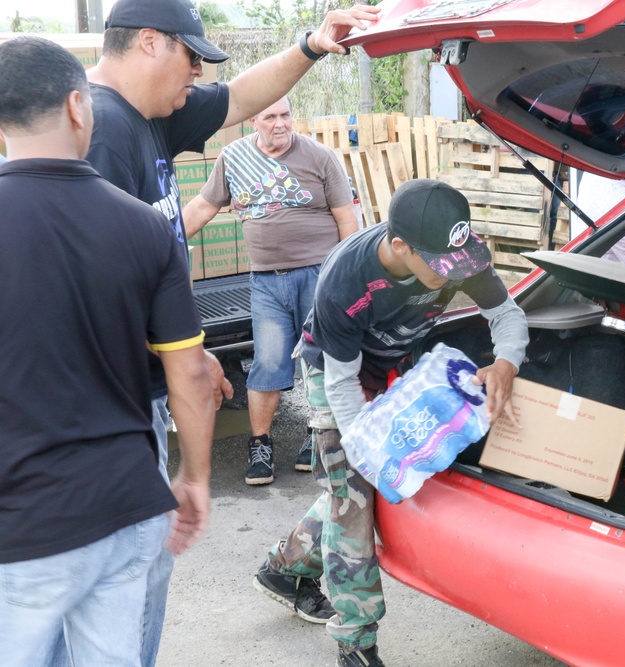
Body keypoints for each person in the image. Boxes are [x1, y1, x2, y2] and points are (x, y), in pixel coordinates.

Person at [82, 1, 381, 664]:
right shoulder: (102, 131)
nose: (198, 75)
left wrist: (310, 45)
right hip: (117, 404)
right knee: (127, 583)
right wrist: (179, 368)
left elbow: (242, 95)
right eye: (192, 58)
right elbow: (102, 284)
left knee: (145, 575)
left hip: (147, 389)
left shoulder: (154, 115)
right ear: (150, 44)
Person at [0, 36, 215, 665]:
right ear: (77, 106)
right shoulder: (144, 226)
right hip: (126, 509)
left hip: (23, 520)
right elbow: (191, 377)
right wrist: (195, 477)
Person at [253, 179, 529, 667]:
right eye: (440, 268)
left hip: (389, 366)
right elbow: (340, 382)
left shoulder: (459, 253)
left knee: (349, 488)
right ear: (400, 246)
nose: (452, 277)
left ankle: (284, 567)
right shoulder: (346, 279)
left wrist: (506, 360)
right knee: (355, 491)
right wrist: (366, 444)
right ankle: (355, 644)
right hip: (332, 371)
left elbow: (507, 315)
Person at [183, 96, 360, 485]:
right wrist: (160, 239)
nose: (279, 124)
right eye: (270, 117)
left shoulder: (319, 156)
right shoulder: (233, 158)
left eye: (285, 115)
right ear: (252, 121)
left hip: (319, 275)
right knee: (268, 361)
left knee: (319, 360)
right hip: (265, 280)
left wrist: (345, 278)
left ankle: (317, 436)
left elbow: (348, 219)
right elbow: (202, 207)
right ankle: (261, 443)